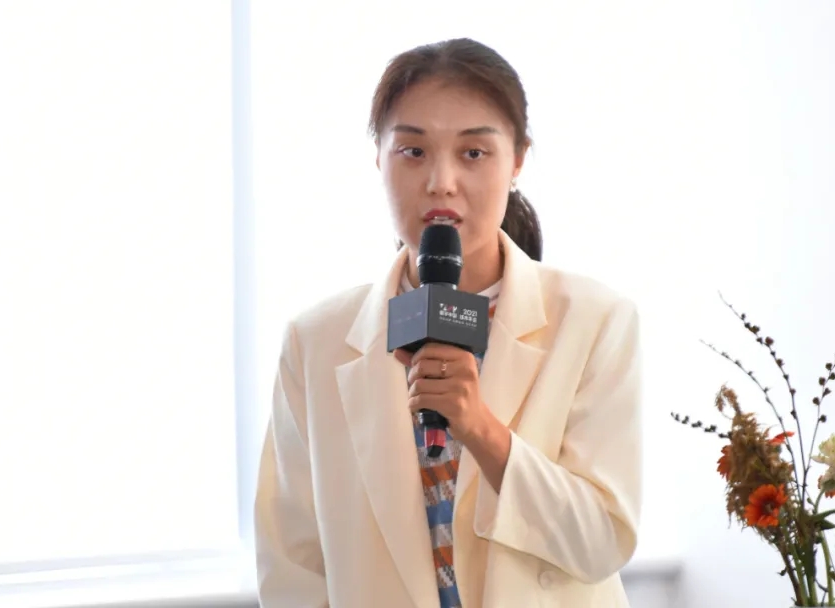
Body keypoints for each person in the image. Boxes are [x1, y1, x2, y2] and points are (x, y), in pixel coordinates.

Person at [254, 37, 643, 608]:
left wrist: (480, 428)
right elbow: (292, 570)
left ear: (517, 160)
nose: (441, 180)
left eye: (473, 153)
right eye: (413, 151)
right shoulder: (314, 342)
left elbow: (603, 541)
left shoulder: (594, 321)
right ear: (379, 158)